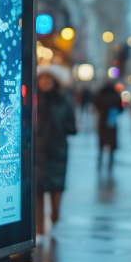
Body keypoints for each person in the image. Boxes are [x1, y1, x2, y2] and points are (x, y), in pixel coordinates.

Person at [35, 65, 76, 236]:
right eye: (42, 78)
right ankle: (39, 232)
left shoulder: (64, 100)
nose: (45, 81)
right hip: (36, 153)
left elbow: (72, 127)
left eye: (49, 78)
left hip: (57, 152)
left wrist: (59, 127)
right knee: (37, 192)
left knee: (56, 190)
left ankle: (55, 219)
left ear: (55, 81)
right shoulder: (32, 99)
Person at [92, 81, 123, 170]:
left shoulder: (100, 94)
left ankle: (100, 158)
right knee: (111, 141)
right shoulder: (116, 96)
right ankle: (110, 159)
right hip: (112, 121)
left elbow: (96, 104)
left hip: (102, 121)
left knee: (101, 141)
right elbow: (121, 109)